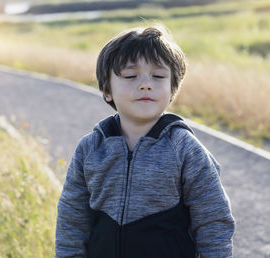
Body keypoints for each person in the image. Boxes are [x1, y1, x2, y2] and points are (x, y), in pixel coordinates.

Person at [55, 25, 235, 258]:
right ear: (107, 90)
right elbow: (72, 218)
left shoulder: (185, 149)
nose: (146, 84)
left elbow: (213, 219)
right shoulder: (90, 149)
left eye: (158, 76)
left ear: (172, 89)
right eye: (131, 76)